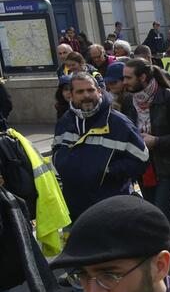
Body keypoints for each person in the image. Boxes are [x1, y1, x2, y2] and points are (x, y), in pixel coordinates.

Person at [121, 59, 170, 270]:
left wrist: (156, 141)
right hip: (145, 167)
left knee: (162, 210)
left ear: (143, 78)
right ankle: (163, 252)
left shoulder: (169, 98)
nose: (124, 82)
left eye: (128, 77)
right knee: (155, 212)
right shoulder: (128, 101)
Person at [53, 72, 149, 220]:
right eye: (80, 91)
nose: (86, 95)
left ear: (99, 91)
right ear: (70, 95)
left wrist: (107, 170)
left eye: (90, 90)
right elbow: (56, 152)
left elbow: (141, 159)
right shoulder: (64, 122)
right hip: (73, 208)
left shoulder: (119, 123)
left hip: (111, 208)